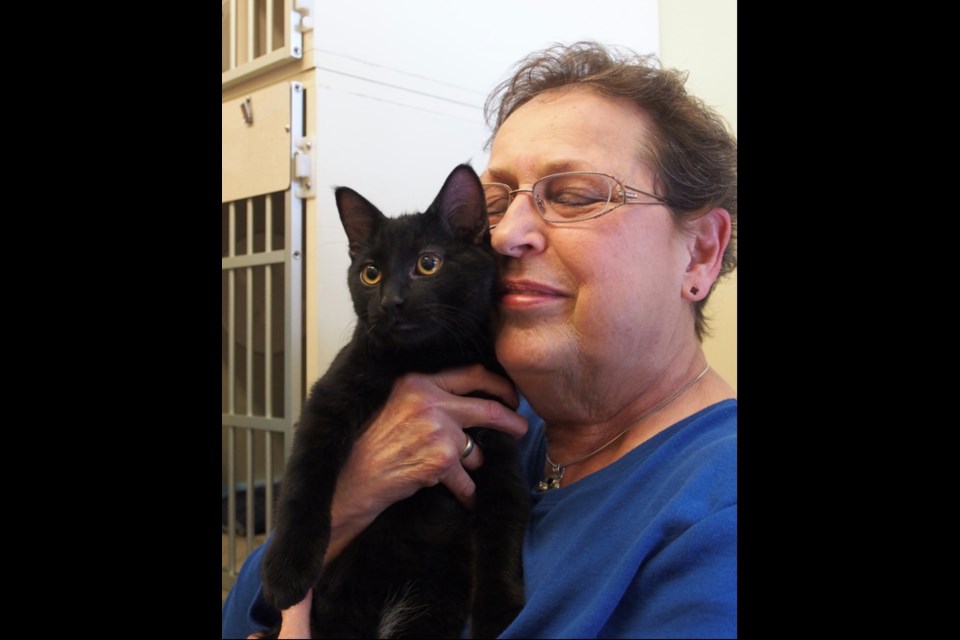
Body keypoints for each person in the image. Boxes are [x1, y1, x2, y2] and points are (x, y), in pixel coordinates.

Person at [222, 40, 737, 639]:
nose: (507, 233)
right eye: (495, 205)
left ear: (699, 252)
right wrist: (349, 498)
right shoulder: (483, 423)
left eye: (573, 195)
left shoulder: (714, 514)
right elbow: (241, 618)